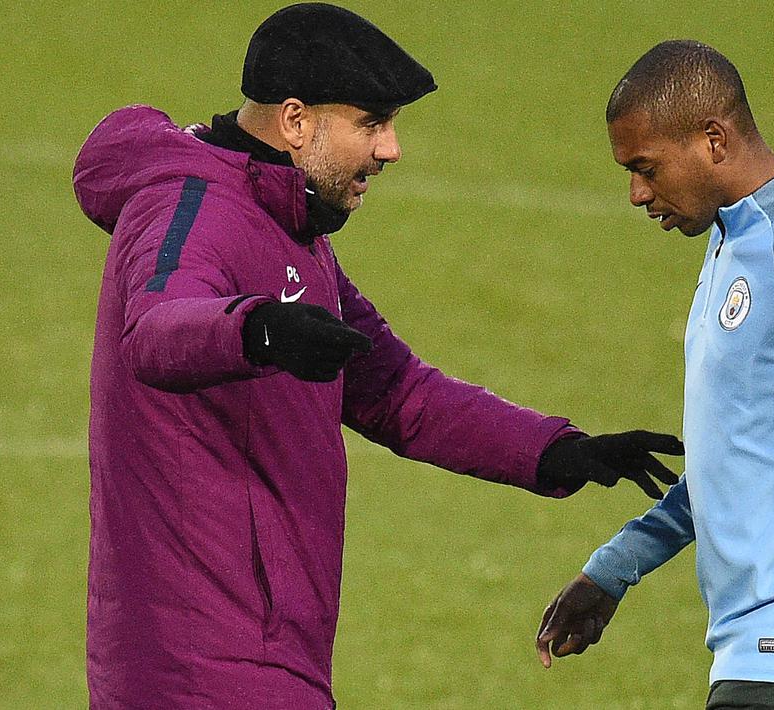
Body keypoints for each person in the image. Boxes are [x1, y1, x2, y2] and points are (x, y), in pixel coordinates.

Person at [72, 4, 683, 708]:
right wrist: (257, 329)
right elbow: (156, 326)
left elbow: (396, 390)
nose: (390, 149)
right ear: (296, 120)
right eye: (370, 123)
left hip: (264, 649)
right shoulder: (192, 206)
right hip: (196, 664)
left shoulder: (289, 229)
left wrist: (558, 451)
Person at [534, 40, 774, 710]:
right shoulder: (736, 241)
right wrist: (616, 568)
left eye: (645, 168)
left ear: (712, 139)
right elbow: (749, 456)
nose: (635, 193)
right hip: (758, 659)